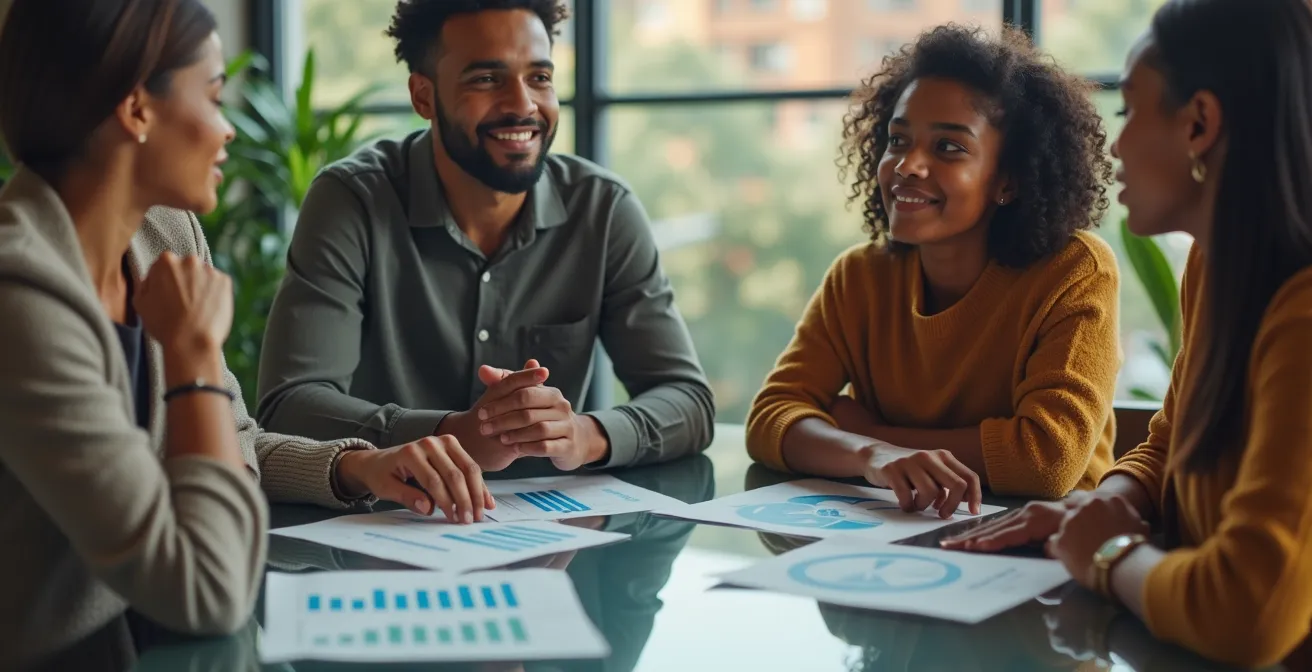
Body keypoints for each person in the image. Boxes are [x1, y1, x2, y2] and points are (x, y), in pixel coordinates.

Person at [0, 1, 487, 664]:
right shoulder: (19, 297)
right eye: (213, 96)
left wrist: (355, 466)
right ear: (136, 107)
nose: (227, 131)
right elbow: (211, 589)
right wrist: (193, 352)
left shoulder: (163, 234)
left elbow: (230, 444)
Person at [943, 0, 1312, 667]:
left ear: (1200, 123)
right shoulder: (1216, 263)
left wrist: (1109, 557)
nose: (1114, 144)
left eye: (1129, 111)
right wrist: (1101, 509)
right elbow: (1172, 443)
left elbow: (1249, 613)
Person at [255, 0, 715, 475]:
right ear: (424, 97)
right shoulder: (352, 201)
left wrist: (587, 435)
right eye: (486, 79)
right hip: (381, 523)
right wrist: (449, 434)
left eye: (539, 78)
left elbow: (689, 402)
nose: (522, 105)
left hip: (555, 532)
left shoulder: (603, 209)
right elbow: (289, 406)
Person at [746, 24, 1120, 517]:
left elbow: (1045, 460)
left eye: (948, 148)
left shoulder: (1074, 271)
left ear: (1008, 179)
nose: (906, 165)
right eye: (898, 140)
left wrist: (866, 431)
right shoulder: (858, 277)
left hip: (1045, 552)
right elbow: (771, 418)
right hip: (887, 535)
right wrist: (872, 455)